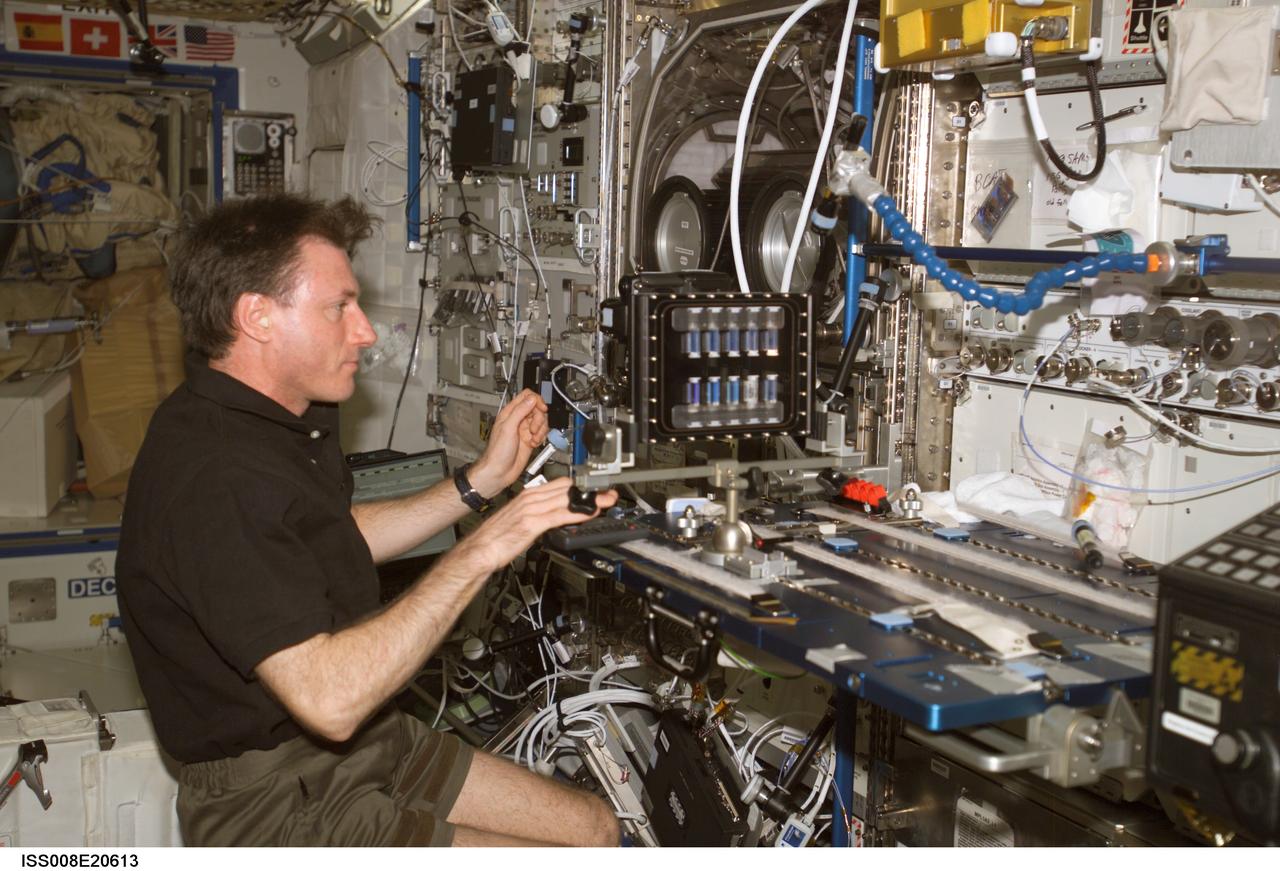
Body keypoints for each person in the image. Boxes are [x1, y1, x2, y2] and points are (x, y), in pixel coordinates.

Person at [116, 193, 620, 847]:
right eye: (338, 308)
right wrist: (482, 549)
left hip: (365, 741)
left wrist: (478, 485)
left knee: (595, 831)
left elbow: (322, 542)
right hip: (273, 798)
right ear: (257, 317)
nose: (366, 331)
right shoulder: (215, 473)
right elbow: (329, 700)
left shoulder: (260, 419)